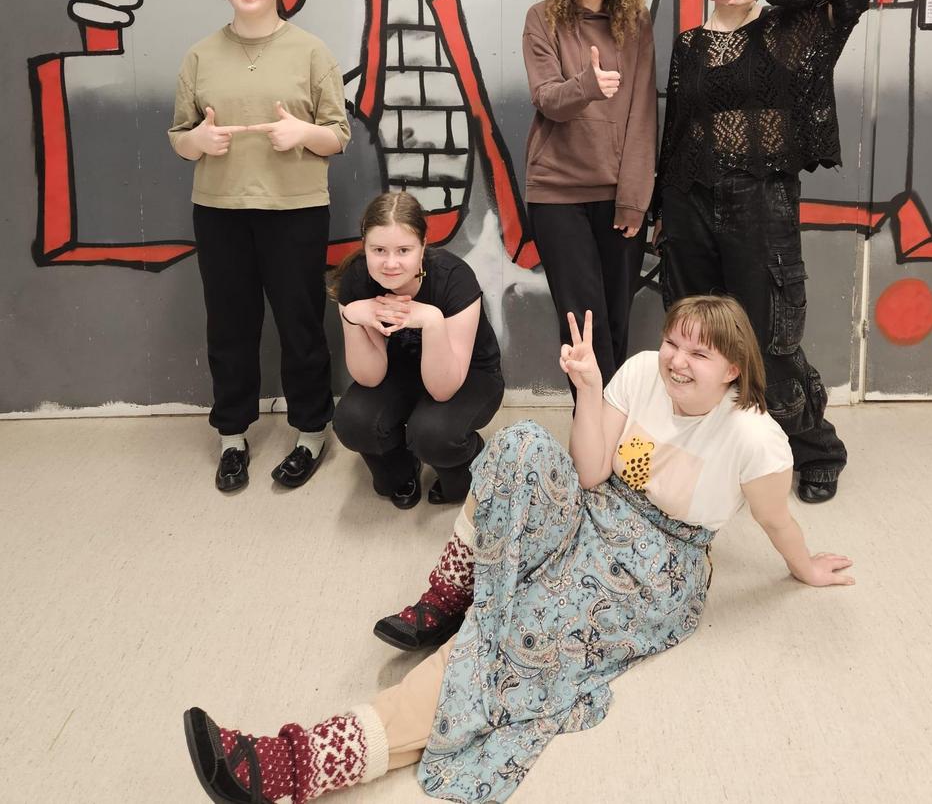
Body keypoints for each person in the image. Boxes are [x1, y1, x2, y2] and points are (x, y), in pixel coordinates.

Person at [184, 294, 854, 804]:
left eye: (699, 353)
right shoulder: (642, 372)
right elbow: (590, 472)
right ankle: (454, 589)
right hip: (599, 508)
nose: (677, 359)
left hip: (656, 568)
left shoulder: (753, 436)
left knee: (512, 637)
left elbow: (775, 521)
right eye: (673, 341)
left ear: (733, 368)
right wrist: (588, 389)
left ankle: (298, 764)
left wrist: (806, 568)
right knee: (521, 446)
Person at [654, 0, 882, 503]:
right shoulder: (689, 44)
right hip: (688, 202)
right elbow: (677, 129)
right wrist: (661, 211)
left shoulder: (791, 29)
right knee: (697, 336)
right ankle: (720, 449)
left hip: (760, 201)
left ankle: (817, 449)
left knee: (768, 339)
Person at [169, 0, 350, 493]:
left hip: (295, 211)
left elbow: (338, 135)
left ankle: (311, 431)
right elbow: (180, 138)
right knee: (229, 326)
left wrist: (303, 132)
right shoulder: (200, 55)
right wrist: (198, 141)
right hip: (219, 211)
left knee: (300, 324)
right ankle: (232, 436)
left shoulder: (312, 52)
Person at [522, 0, 656, 395]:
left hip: (617, 195)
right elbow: (547, 99)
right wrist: (588, 86)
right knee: (582, 329)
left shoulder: (635, 23)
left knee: (616, 321)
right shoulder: (542, 19)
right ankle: (592, 428)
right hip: (557, 193)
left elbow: (643, 113)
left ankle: (610, 426)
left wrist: (634, 200)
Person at [328, 192, 504, 509]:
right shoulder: (357, 279)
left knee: (433, 435)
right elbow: (370, 377)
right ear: (364, 245)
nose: (390, 263)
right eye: (378, 250)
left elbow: (442, 389)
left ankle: (471, 457)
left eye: (404, 250)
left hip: (468, 374)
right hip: (401, 369)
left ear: (423, 246)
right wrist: (353, 317)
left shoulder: (454, 279)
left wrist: (432, 321)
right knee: (353, 420)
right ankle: (403, 467)